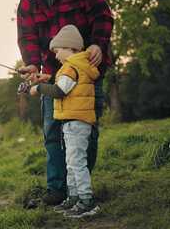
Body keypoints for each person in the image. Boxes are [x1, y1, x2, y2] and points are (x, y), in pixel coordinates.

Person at [16, 0, 113, 206]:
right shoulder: (29, 0)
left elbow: (102, 16)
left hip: (86, 73)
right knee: (52, 131)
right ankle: (58, 189)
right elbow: (27, 37)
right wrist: (32, 65)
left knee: (85, 130)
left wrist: (98, 44)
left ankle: (81, 187)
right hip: (51, 75)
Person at [29, 25, 100, 217]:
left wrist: (39, 88)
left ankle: (87, 201)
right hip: (73, 122)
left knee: (76, 162)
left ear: (71, 48)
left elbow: (60, 91)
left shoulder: (70, 67)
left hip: (76, 122)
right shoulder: (75, 67)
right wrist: (50, 79)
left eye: (57, 50)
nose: (55, 55)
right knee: (71, 162)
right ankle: (74, 198)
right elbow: (67, 86)